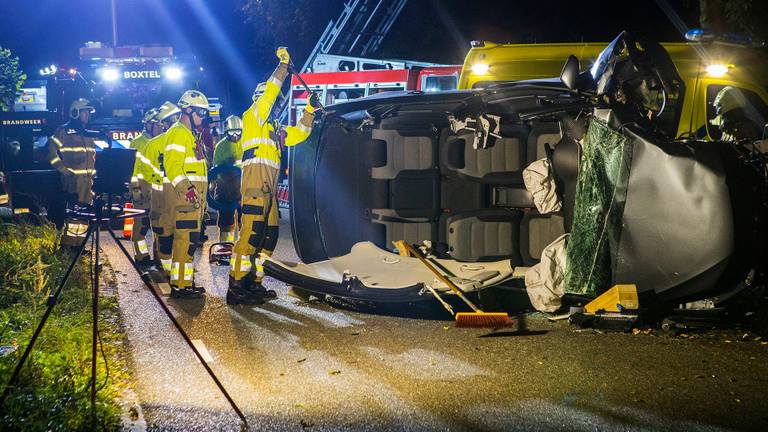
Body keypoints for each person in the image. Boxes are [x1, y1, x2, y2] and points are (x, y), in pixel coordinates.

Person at [227, 47, 319, 305]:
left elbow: (299, 134)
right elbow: (269, 95)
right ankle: (236, 287)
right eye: (274, 101)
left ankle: (254, 283)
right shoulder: (253, 116)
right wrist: (282, 68)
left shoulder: (272, 128)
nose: (276, 105)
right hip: (256, 182)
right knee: (251, 235)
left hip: (268, 187)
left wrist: (309, 112)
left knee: (269, 237)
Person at [164, 90, 210, 299]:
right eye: (201, 112)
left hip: (194, 202)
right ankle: (180, 286)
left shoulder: (191, 134)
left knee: (190, 242)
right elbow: (172, 167)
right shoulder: (178, 132)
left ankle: (186, 282)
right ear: (188, 110)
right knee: (184, 242)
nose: (203, 117)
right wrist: (188, 191)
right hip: (186, 200)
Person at [46, 98, 97, 248]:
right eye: (85, 112)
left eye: (88, 113)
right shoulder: (64, 131)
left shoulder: (88, 133)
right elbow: (50, 152)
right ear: (75, 113)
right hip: (73, 180)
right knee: (75, 213)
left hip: (88, 182)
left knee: (84, 214)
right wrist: (63, 170)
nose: (88, 115)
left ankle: (78, 246)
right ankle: (69, 246)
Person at [141, 101, 181, 274]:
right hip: (166, 196)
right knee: (170, 236)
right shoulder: (155, 144)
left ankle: (173, 271)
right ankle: (170, 271)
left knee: (173, 236)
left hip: (170, 196)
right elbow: (146, 171)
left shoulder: (157, 143)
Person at [129, 107, 162, 266]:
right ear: (148, 124)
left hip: (156, 189)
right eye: (157, 124)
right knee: (141, 225)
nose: (160, 126)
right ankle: (140, 256)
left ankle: (159, 255)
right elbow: (131, 170)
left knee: (159, 223)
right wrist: (134, 189)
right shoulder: (137, 143)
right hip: (141, 189)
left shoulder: (160, 141)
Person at [212, 115, 244, 244]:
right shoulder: (221, 146)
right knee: (226, 223)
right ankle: (225, 247)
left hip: (243, 190)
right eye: (232, 132)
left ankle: (244, 250)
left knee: (246, 222)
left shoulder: (245, 143)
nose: (235, 135)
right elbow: (216, 169)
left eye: (238, 132)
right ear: (226, 132)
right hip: (226, 190)